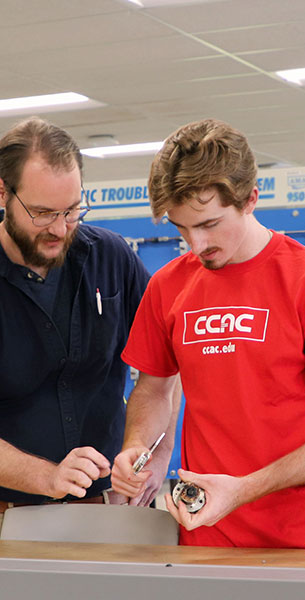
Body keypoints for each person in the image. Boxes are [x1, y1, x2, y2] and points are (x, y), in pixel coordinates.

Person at [111, 118, 305, 548]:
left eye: (208, 224)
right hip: (203, 537)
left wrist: (241, 491)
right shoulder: (167, 285)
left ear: (249, 200)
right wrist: (136, 447)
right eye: (181, 228)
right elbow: (154, 391)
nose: (195, 244)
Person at [0, 117, 152, 528]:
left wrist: (141, 446)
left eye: (72, 211)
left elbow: (162, 368)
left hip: (108, 511)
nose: (59, 228)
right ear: (3, 192)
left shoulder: (113, 258)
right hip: (7, 516)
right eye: (43, 212)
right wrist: (46, 477)